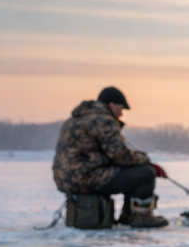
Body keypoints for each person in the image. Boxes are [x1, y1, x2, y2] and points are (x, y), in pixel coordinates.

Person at [52, 86, 169, 228]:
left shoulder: (75, 119)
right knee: (145, 173)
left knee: (133, 171)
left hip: (66, 180)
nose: (121, 114)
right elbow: (121, 157)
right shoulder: (104, 121)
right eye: (121, 108)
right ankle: (139, 217)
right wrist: (147, 161)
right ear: (112, 105)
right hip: (87, 179)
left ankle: (129, 216)